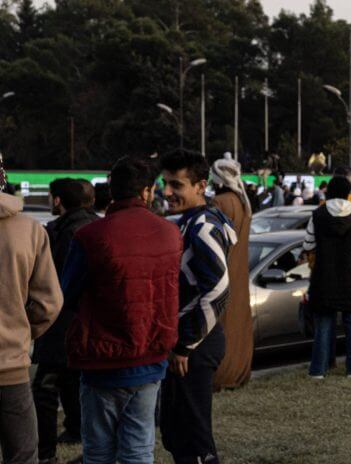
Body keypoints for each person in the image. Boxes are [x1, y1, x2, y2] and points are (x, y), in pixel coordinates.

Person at [64, 157, 180, 464]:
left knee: (98, 452)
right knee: (138, 450)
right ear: (146, 191)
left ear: (112, 190)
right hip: (150, 355)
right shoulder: (170, 233)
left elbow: (68, 293)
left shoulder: (90, 236)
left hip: (101, 359)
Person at [158, 150, 237, 464]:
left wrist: (185, 344)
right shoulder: (191, 220)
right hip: (191, 342)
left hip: (196, 345)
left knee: (195, 441)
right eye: (165, 183)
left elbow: (219, 289)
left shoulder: (203, 225)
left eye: (176, 185)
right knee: (176, 433)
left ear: (201, 186)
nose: (167, 192)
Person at [32, 179, 96, 462]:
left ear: (57, 200)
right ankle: (75, 429)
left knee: (45, 388)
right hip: (85, 319)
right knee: (72, 380)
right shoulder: (93, 225)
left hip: (61, 321)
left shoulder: (62, 232)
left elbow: (53, 279)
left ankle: (45, 452)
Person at [0, 173, 62, 464]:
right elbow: (49, 303)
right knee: (23, 454)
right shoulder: (30, 230)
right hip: (11, 365)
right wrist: (20, 329)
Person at [304, 177, 351, 378]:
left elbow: (308, 245)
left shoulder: (318, 214)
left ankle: (318, 369)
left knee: (324, 323)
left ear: (329, 191)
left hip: (324, 274)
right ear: (347, 192)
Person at [208, 159, 254, 392]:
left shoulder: (219, 202)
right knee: (238, 327)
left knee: (222, 326)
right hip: (240, 274)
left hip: (222, 272)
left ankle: (221, 376)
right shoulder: (243, 203)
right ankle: (236, 373)